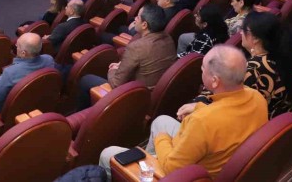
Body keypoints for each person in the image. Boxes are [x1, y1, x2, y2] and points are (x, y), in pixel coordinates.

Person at [98, 45, 268, 179]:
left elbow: (172, 168)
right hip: (218, 157)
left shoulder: (202, 121)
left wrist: (161, 138)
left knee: (108, 154)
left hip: (190, 176)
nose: (201, 71)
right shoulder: (256, 97)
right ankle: (149, 160)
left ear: (215, 81)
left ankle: (145, 170)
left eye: (203, 69)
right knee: (161, 121)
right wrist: (198, 107)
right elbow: (227, 119)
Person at [77, 4, 175, 110]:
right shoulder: (169, 38)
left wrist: (112, 70)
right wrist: (121, 65)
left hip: (137, 99)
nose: (135, 19)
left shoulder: (136, 47)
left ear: (144, 25)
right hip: (157, 94)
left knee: (86, 80)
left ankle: (86, 116)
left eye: (138, 17)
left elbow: (116, 84)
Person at [240, 11, 292, 118]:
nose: (241, 33)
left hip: (262, 123)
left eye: (243, 30)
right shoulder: (282, 57)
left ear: (256, 38)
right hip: (283, 119)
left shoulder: (253, 68)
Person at [0, 32, 55, 111]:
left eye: (17, 46)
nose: (16, 47)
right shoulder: (49, 59)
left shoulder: (10, 73)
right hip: (36, 102)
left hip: (12, 111)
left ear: (23, 53)